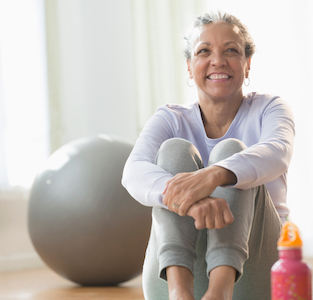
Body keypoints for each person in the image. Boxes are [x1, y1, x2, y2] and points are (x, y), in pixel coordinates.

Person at [122, 11, 295, 300]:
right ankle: (179, 293)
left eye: (231, 50)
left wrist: (213, 175)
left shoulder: (270, 108)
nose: (218, 60)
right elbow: (133, 171)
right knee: (174, 151)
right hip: (172, 274)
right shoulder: (170, 118)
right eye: (204, 51)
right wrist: (191, 202)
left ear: (247, 64)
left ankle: (220, 293)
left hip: (253, 273)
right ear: (190, 67)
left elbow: (278, 152)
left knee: (231, 152)